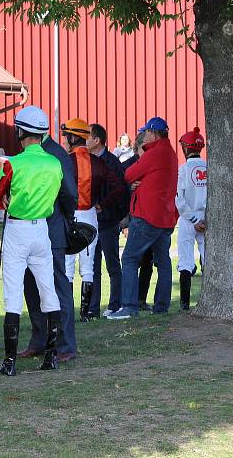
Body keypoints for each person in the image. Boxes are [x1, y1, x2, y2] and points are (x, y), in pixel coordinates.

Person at [0, 105, 66, 376]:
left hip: (17, 230)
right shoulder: (55, 163)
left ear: (21, 131)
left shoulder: (14, 163)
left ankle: (9, 362)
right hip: (42, 230)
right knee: (49, 291)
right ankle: (51, 356)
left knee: (13, 295)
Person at [108, 117, 178, 319]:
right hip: (165, 217)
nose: (144, 135)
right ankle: (161, 307)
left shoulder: (154, 153)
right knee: (163, 262)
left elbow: (128, 174)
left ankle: (129, 306)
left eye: (146, 132)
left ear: (152, 133)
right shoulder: (171, 154)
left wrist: (137, 180)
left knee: (129, 258)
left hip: (147, 215)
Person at [60, 118, 125, 322]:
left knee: (68, 266)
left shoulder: (64, 161)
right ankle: (86, 313)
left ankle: (67, 312)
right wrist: (102, 204)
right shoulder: (99, 162)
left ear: (72, 138)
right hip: (90, 215)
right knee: (88, 268)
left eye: (66, 137)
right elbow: (119, 187)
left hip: (69, 216)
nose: (64, 141)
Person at [86, 123, 128, 319]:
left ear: (97, 140)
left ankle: (114, 304)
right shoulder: (86, 161)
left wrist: (104, 205)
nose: (84, 140)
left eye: (87, 136)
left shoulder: (111, 162)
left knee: (112, 264)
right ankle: (92, 308)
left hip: (108, 220)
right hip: (90, 221)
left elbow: (120, 189)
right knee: (91, 266)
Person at [175, 127, 207, 312]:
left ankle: (184, 304)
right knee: (207, 259)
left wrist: (194, 219)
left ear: (186, 148)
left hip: (188, 219)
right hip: (206, 219)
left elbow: (179, 200)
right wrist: (203, 219)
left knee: (186, 261)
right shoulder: (209, 167)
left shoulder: (184, 169)